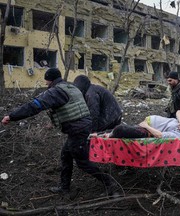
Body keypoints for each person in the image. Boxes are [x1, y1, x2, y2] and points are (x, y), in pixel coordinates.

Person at [1, 68, 118, 196]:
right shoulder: (69, 86)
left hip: (77, 130)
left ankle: (110, 183)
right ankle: (64, 188)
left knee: (83, 162)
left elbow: (34, 106)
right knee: (66, 155)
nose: (46, 85)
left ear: (50, 81)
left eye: (46, 82)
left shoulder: (56, 92)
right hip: (80, 128)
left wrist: (12, 116)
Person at [108, 115, 180, 139]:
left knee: (119, 129)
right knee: (120, 129)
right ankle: (107, 134)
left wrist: (146, 126)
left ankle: (109, 136)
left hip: (147, 131)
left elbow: (160, 135)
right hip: (146, 125)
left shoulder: (179, 135)